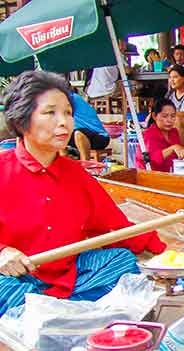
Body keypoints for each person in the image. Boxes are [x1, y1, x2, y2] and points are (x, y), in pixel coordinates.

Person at [0, 71, 166, 316]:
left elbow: (117, 228)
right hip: (20, 280)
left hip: (71, 274)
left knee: (121, 260)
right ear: (21, 121)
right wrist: (2, 252)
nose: (64, 122)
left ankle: (56, 313)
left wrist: (165, 252)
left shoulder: (76, 174)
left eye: (68, 112)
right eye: (50, 113)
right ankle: (66, 312)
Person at [136, 98, 184, 172]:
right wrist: (173, 148)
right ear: (154, 116)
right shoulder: (149, 135)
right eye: (165, 116)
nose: (169, 120)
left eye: (173, 116)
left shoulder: (174, 132)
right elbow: (153, 159)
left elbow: (179, 154)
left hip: (171, 175)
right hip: (150, 177)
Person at [67, 92, 110, 161]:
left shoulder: (70, 98)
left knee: (78, 133)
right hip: (78, 136)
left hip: (100, 137)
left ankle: (85, 164)